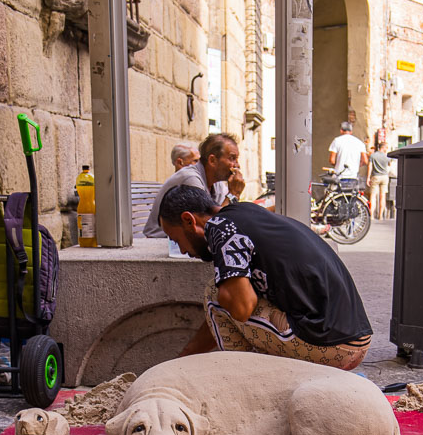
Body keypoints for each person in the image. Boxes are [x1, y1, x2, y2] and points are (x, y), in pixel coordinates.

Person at [158, 185, 373, 370]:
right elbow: (223, 314)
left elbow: (240, 308)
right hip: (354, 338)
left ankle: (245, 385)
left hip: (331, 344)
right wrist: (183, 359)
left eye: (176, 240)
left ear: (189, 220)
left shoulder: (220, 228)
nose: (183, 250)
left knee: (214, 293)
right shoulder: (244, 214)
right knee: (224, 296)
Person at [144, 133, 246, 238]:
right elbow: (211, 225)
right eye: (232, 158)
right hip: (162, 240)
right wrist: (233, 193)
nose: (237, 165)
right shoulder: (190, 178)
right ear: (212, 160)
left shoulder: (217, 183)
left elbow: (226, 216)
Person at [367, 142, 390, 220]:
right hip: (384, 176)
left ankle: (372, 215)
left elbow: (370, 167)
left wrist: (368, 178)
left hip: (375, 176)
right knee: (382, 196)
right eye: (386, 148)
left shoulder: (373, 155)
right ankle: (380, 215)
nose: (387, 149)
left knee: (373, 196)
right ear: (383, 147)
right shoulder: (387, 156)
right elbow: (389, 165)